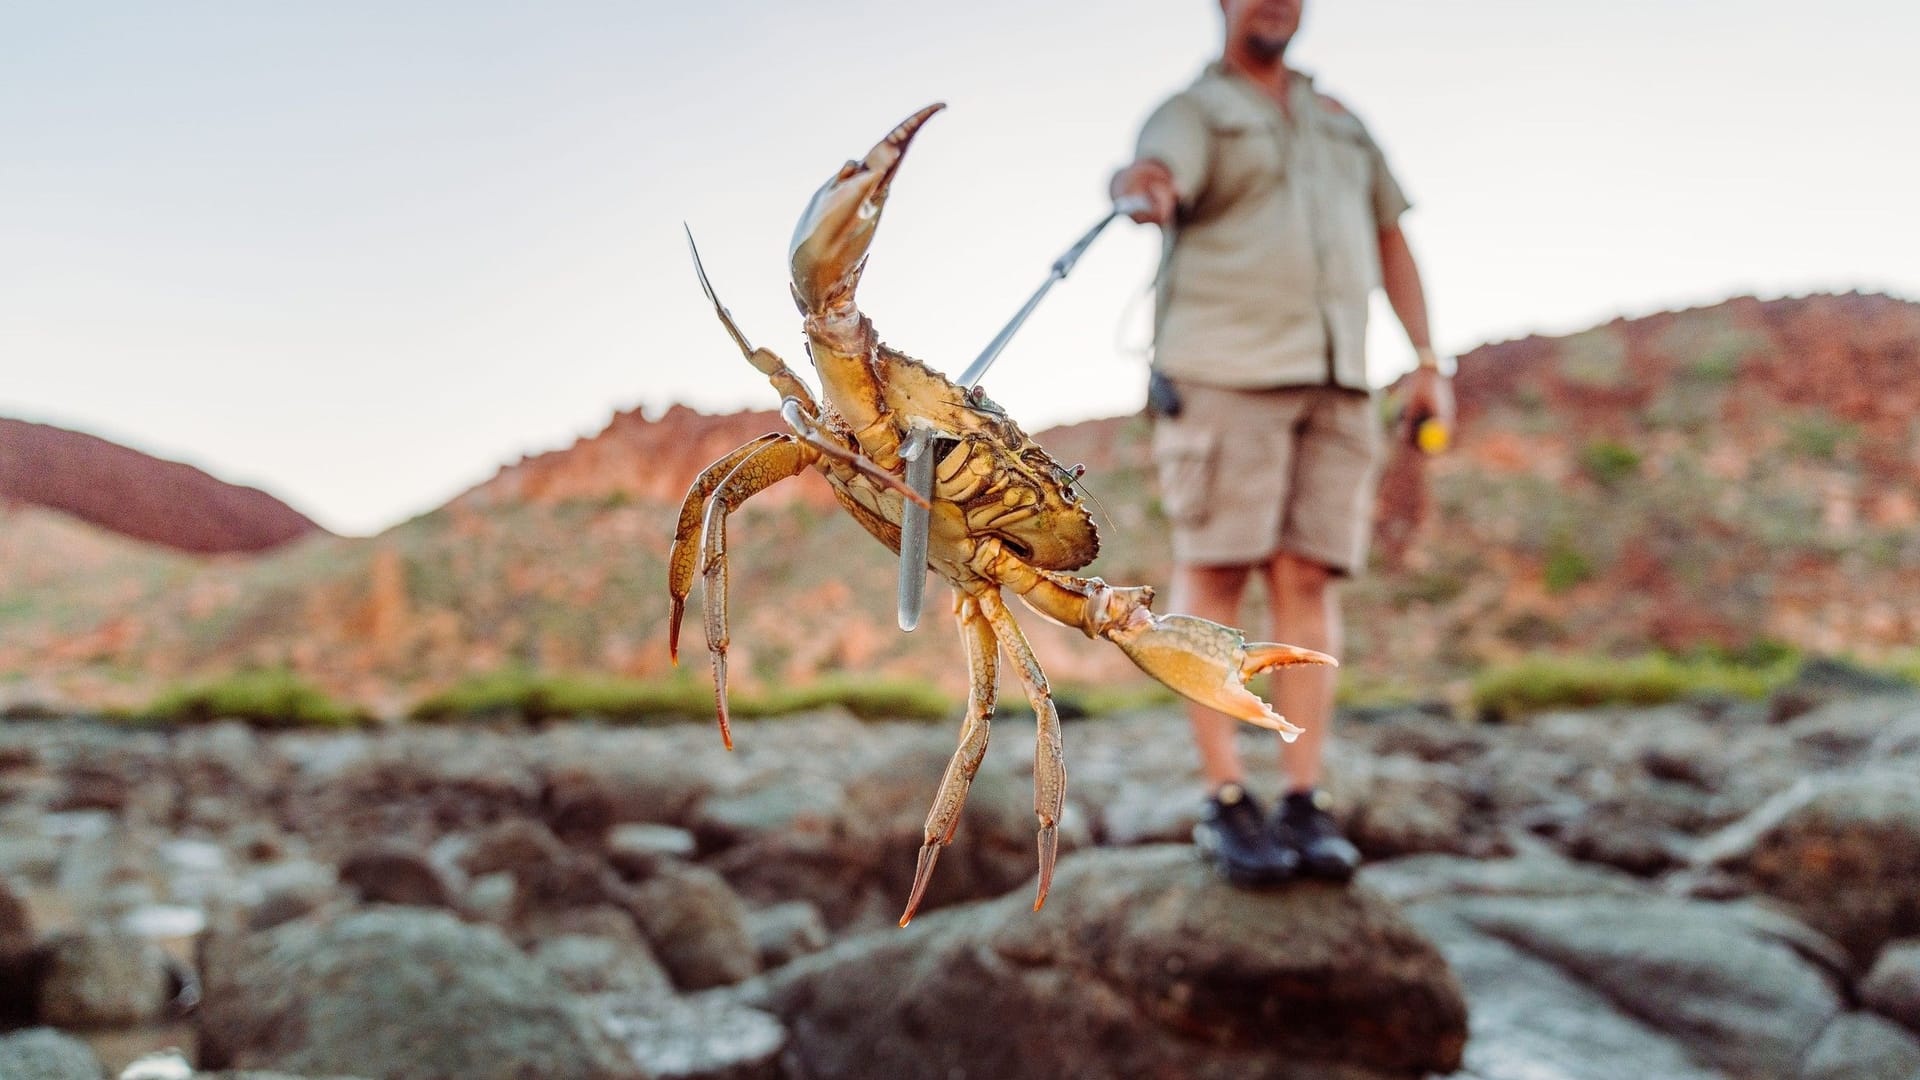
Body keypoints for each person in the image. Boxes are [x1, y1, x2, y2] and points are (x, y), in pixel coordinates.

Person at [1111, 0, 1453, 885]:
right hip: (1226, 373)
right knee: (1217, 572)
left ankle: (1303, 798)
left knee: (1308, 577)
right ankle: (1226, 800)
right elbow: (1156, 169)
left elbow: (1390, 236)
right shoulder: (1192, 111)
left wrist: (1425, 358)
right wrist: (1143, 187)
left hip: (1340, 380)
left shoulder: (1342, 123)